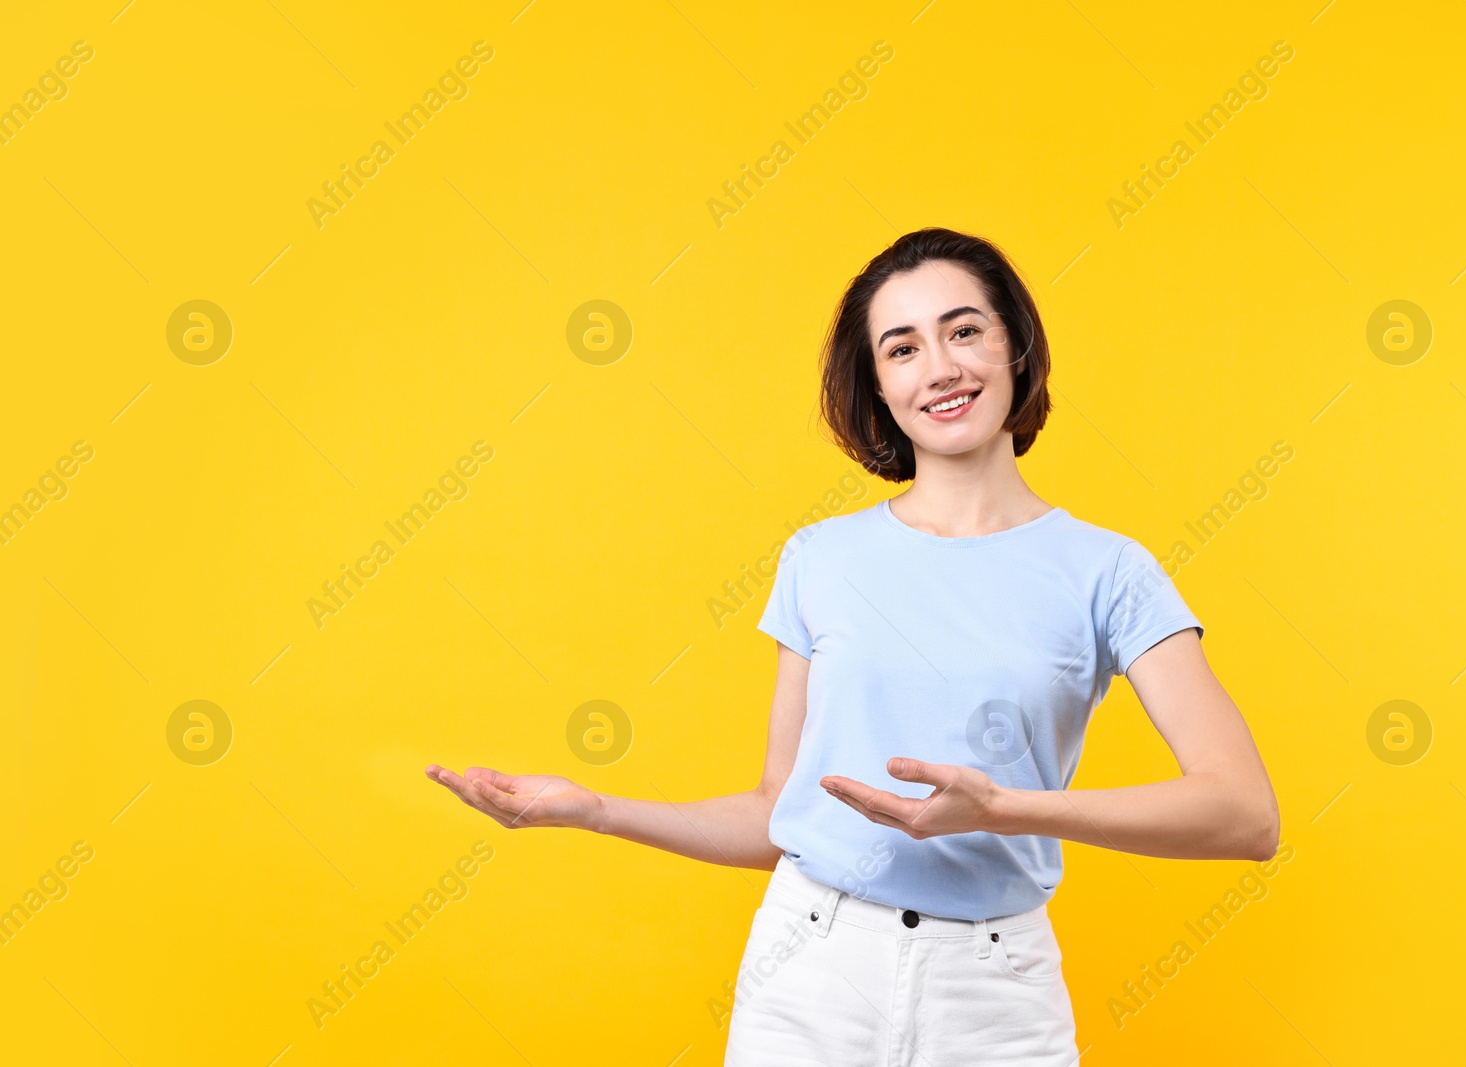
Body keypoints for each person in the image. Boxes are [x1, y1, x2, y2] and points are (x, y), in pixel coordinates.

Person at [426, 227, 1279, 1064]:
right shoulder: (820, 558)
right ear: (877, 384)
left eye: (964, 330)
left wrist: (1005, 810)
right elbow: (776, 813)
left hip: (997, 995)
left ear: (1015, 348)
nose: (940, 367)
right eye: (902, 348)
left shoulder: (1110, 571)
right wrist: (596, 810)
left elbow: (1245, 813)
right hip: (810, 973)